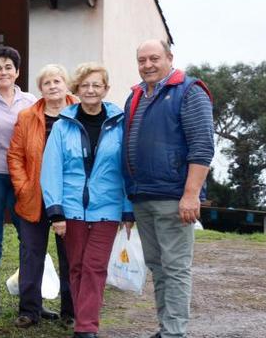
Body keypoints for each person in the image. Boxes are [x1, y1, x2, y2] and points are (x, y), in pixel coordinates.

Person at [123, 39, 214, 338]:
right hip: (142, 196)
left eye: (154, 58)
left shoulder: (189, 91)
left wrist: (190, 195)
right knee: (158, 267)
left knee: (175, 268)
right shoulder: (136, 94)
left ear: (169, 58)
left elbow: (202, 148)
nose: (147, 65)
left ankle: (175, 333)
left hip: (174, 197)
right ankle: (166, 329)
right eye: (141, 60)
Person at [41, 63, 134, 338]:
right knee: (77, 266)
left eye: (97, 85)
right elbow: (51, 169)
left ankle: (86, 328)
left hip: (108, 208)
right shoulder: (62, 125)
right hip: (70, 209)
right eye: (85, 85)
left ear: (106, 89)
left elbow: (127, 168)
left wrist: (128, 210)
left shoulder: (120, 123)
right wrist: (55, 211)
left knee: (94, 266)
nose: (91, 90)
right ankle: (84, 322)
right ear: (77, 90)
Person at [7, 64, 77, 328]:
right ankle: (29, 311)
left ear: (66, 84)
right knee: (31, 255)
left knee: (70, 256)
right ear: (41, 88)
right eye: (47, 83)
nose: (53, 86)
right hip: (33, 196)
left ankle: (70, 312)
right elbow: (15, 155)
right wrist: (23, 186)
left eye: (57, 81)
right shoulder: (27, 116)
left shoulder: (79, 113)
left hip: (69, 198)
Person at [0, 45, 36, 316]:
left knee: (29, 234)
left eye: (8, 67)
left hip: (23, 176)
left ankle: (31, 296)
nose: (3, 72)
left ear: (17, 71)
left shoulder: (31, 101)